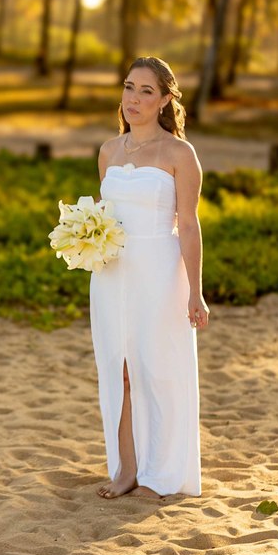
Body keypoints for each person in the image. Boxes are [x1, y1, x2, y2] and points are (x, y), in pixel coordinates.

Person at [89, 56, 207, 500]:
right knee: (117, 371)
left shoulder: (180, 154)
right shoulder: (108, 151)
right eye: (128, 87)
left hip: (159, 272)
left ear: (164, 101)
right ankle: (127, 469)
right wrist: (85, 240)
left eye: (145, 91)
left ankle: (162, 472)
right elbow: (104, 216)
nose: (132, 99)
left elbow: (189, 225)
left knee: (156, 370)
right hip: (112, 274)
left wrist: (196, 291)